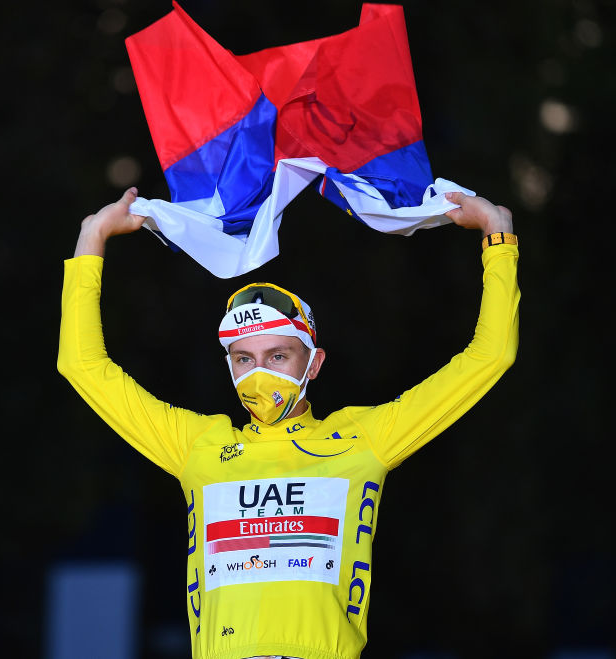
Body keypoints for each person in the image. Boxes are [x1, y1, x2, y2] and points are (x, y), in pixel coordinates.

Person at [57, 186, 519, 659]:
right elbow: (82, 366)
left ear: (313, 364)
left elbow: (489, 356)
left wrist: (498, 238)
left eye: (277, 355)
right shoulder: (197, 446)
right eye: (244, 358)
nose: (258, 372)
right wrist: (92, 236)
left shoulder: (363, 440)